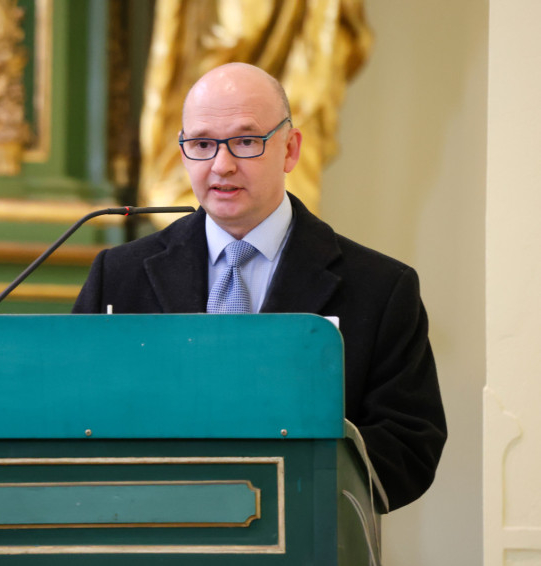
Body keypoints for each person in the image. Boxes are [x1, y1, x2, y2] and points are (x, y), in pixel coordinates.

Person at [73, 62, 447, 511]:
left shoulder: (381, 287)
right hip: (149, 525)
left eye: (246, 142)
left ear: (290, 149)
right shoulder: (118, 275)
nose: (222, 165)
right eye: (203, 144)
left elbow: (411, 443)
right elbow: (73, 414)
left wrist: (293, 478)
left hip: (305, 528)